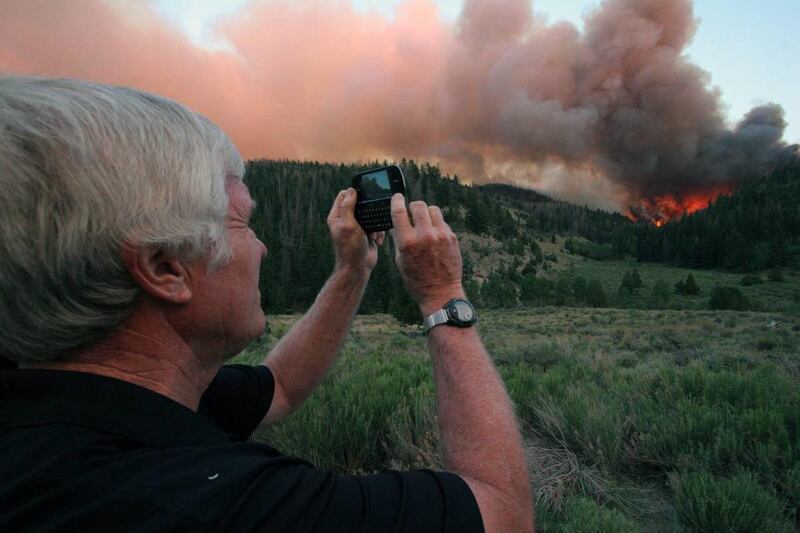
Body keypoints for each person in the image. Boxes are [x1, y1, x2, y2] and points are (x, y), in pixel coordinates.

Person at [0, 76, 533, 532]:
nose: (262, 246)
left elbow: (278, 388)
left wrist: (352, 271)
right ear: (165, 267)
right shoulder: (214, 503)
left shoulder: (76, 408)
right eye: (244, 221)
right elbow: (501, 513)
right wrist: (443, 296)